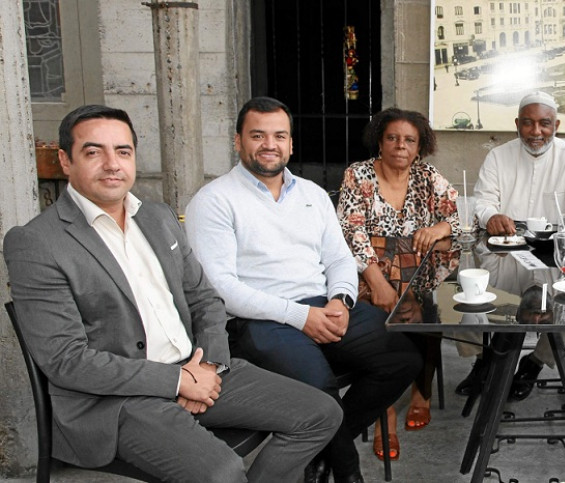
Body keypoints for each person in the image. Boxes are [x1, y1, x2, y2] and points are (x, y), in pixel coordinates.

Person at [3, 105, 341, 482]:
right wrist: (176, 382)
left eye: (124, 151)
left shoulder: (157, 217)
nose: (112, 164)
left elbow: (205, 299)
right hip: (119, 400)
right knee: (222, 472)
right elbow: (67, 360)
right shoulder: (37, 242)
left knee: (321, 413)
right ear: (66, 160)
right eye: (94, 152)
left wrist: (208, 366)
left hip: (197, 367)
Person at [185, 97, 422, 483]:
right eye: (257, 135)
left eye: (279, 135)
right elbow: (221, 289)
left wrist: (341, 300)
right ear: (237, 141)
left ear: (291, 144)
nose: (269, 144)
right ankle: (347, 472)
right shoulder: (214, 201)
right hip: (256, 320)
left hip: (322, 306)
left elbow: (340, 259)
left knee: (403, 357)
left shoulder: (311, 193)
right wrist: (300, 316)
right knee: (318, 386)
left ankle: (324, 445)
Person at [336, 107, 460, 460]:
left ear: (420, 147)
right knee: (382, 314)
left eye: (409, 140)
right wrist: (376, 280)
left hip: (416, 267)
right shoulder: (357, 175)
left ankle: (421, 392)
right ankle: (384, 409)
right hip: (368, 267)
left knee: (428, 309)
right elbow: (350, 231)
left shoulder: (427, 176)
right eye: (392, 138)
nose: (400, 146)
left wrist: (439, 228)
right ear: (380, 140)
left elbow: (455, 215)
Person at [469, 91, 565, 401]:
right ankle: (489, 359)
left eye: (544, 124)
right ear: (517, 124)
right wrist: (491, 216)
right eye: (528, 123)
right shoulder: (498, 156)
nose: (536, 132)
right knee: (478, 299)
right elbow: (484, 201)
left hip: (557, 250)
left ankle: (534, 362)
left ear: (556, 124)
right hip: (506, 248)